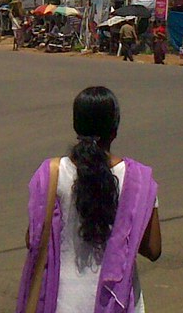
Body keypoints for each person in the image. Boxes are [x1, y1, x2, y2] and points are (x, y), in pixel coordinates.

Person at [17, 86, 161, 313]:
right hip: (116, 303)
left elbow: (33, 240)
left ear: (76, 127)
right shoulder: (138, 180)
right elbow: (153, 249)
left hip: (62, 303)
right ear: (115, 129)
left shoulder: (51, 173)